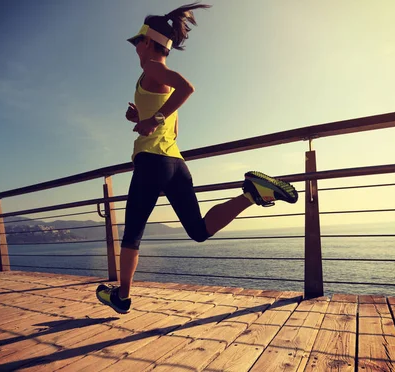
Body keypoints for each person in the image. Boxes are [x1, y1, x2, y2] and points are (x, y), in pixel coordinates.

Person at [96, 3, 298, 314]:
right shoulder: (150, 75)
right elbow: (167, 117)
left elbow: (187, 88)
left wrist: (155, 117)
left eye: (138, 41)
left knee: (133, 232)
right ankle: (252, 193)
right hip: (176, 165)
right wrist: (142, 116)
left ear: (148, 42)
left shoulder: (151, 66)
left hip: (152, 162)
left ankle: (121, 297)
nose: (135, 48)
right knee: (199, 231)